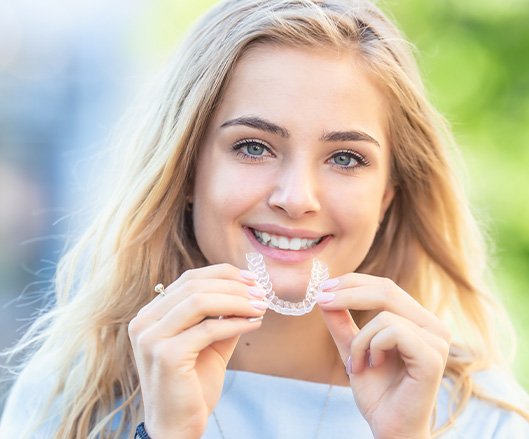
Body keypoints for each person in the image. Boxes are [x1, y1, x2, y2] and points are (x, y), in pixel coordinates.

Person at [1, 0, 529, 437]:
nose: (297, 198)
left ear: (387, 196)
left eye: (345, 157)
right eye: (254, 147)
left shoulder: (486, 420)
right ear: (186, 173)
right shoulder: (70, 402)